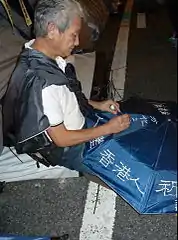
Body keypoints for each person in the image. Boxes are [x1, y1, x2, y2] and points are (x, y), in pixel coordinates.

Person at [2, 0, 130, 175]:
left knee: (127, 131)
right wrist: (107, 129)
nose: (77, 42)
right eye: (73, 35)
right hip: (70, 149)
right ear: (53, 29)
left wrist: (98, 105)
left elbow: (64, 98)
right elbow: (61, 138)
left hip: (81, 123)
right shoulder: (43, 82)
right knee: (127, 167)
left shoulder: (41, 53)